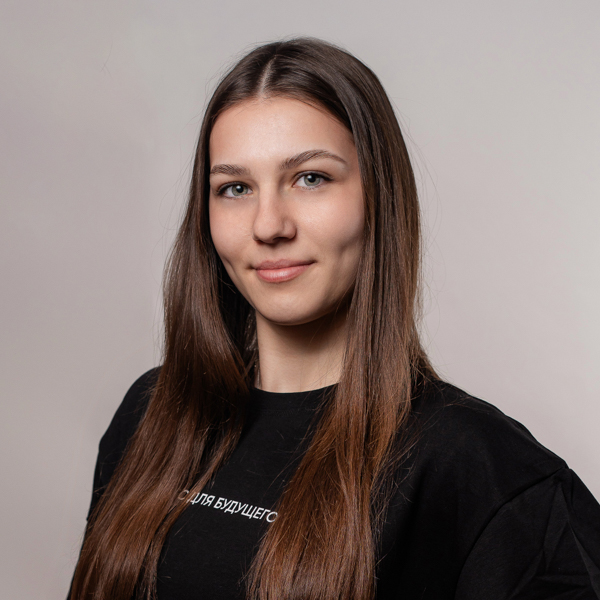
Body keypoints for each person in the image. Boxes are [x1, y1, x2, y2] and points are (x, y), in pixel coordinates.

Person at [69, 38, 600, 600]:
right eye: (235, 188)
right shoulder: (152, 415)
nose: (268, 225)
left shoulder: (472, 462)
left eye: (311, 178)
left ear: (379, 196)